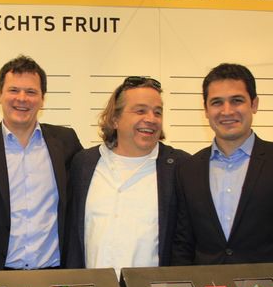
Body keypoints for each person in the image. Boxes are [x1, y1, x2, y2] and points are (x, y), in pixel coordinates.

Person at [172, 63, 273, 287]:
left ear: (254, 104)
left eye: (237, 100)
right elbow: (183, 245)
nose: (227, 111)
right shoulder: (188, 169)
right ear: (206, 110)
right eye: (217, 102)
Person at [0, 55, 83, 270]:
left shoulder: (66, 142)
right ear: (0, 95)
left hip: (55, 275)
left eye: (31, 92)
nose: (22, 98)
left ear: (42, 99)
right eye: (13, 90)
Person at [64, 76, 190, 273]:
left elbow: (186, 242)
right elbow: (72, 239)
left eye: (157, 112)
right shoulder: (83, 164)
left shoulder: (179, 168)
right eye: (140, 111)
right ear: (115, 119)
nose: (151, 119)